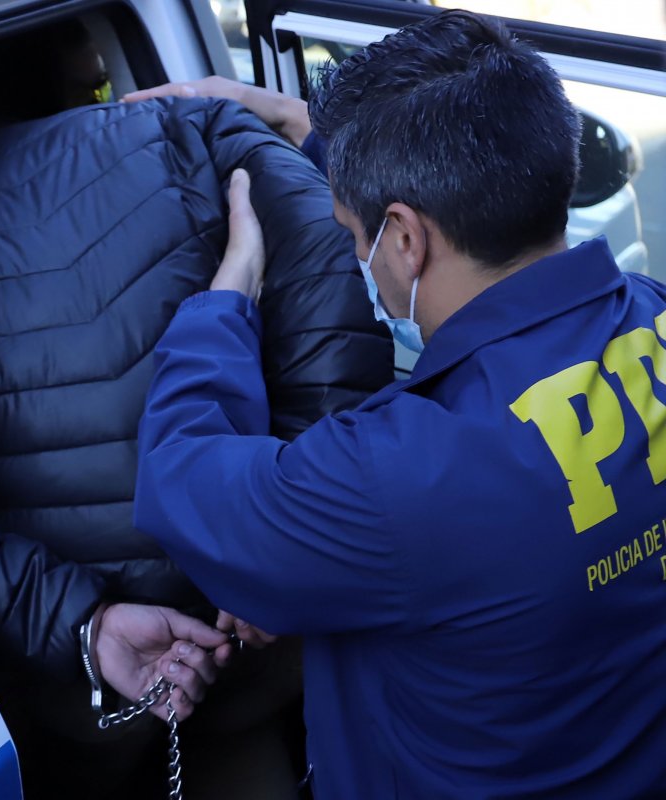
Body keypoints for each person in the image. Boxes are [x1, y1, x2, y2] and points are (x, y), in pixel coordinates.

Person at [134, 10, 666, 799]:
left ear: (406, 240)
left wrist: (231, 290)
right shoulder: (650, 313)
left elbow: (177, 474)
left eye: (355, 232)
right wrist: (302, 125)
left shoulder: (397, 475)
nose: (359, 255)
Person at [0, 19, 394, 800]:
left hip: (73, 679)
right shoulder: (189, 126)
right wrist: (277, 544)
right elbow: (330, 281)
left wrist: (84, 623)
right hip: (251, 629)